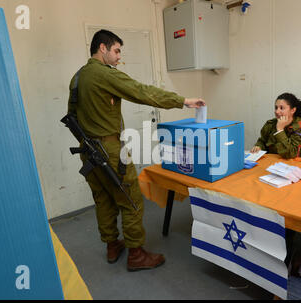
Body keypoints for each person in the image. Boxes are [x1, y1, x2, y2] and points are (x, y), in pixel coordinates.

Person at [67, 29, 205, 271]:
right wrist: (183, 101)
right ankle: (136, 254)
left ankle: (112, 246)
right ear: (102, 48)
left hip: (87, 150)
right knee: (131, 199)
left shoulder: (77, 78)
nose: (119, 56)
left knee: (103, 199)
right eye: (117, 50)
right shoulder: (104, 74)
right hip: (109, 149)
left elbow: (72, 116)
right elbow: (142, 92)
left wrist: (88, 140)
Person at [250, 93, 301, 159]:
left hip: (290, 165)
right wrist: (258, 146)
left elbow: (291, 154)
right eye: (276, 108)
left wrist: (280, 130)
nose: (277, 111)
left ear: (293, 110)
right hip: (271, 162)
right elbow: (262, 141)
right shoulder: (271, 124)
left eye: (281, 108)